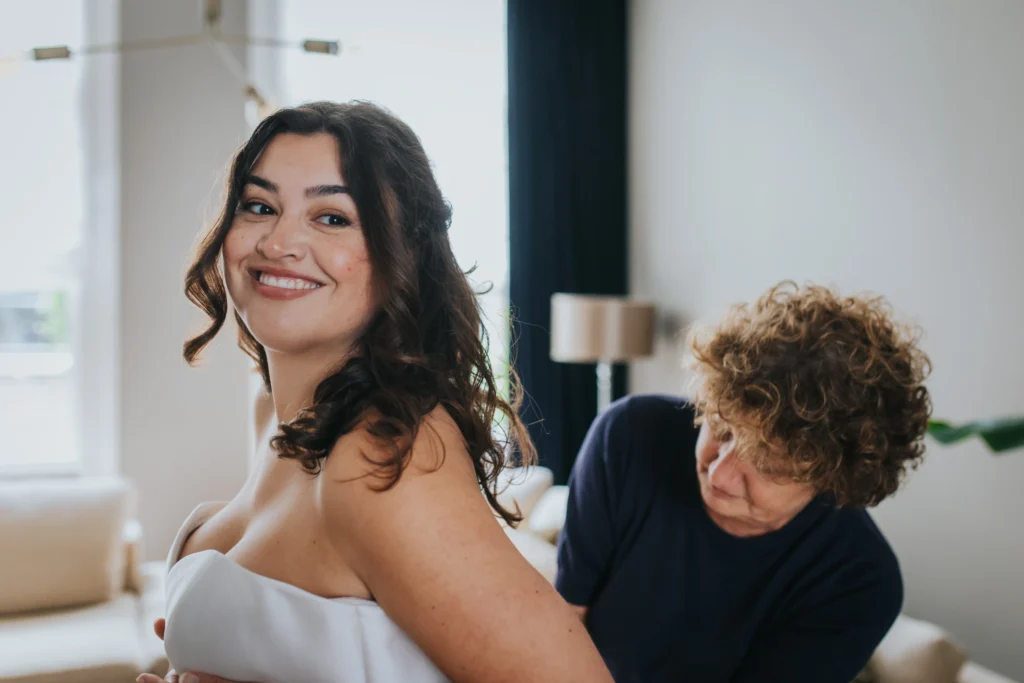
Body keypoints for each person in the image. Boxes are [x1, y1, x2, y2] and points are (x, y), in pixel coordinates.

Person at [138, 101, 613, 683]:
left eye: (332, 217)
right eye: (259, 206)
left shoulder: (384, 451)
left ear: (403, 255)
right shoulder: (276, 416)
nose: (279, 241)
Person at [556, 282, 932, 683]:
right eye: (721, 428)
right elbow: (563, 626)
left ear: (831, 479)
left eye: (766, 464)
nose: (718, 472)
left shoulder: (860, 580)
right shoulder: (629, 435)